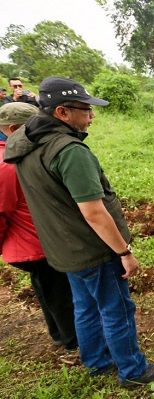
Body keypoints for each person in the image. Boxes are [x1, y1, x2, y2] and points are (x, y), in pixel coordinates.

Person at [3, 76, 154, 387]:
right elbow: (94, 212)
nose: (91, 115)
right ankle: (133, 371)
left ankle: (96, 361)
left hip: (62, 248)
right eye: (85, 109)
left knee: (84, 305)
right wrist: (124, 251)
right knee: (117, 308)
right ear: (62, 113)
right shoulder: (69, 151)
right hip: (92, 248)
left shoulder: (25, 141)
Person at [0, 102, 78, 352]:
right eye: (32, 127)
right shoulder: (8, 165)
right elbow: (2, 210)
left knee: (46, 288)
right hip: (35, 242)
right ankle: (72, 340)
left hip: (33, 241)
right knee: (59, 292)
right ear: (12, 129)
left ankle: (58, 332)